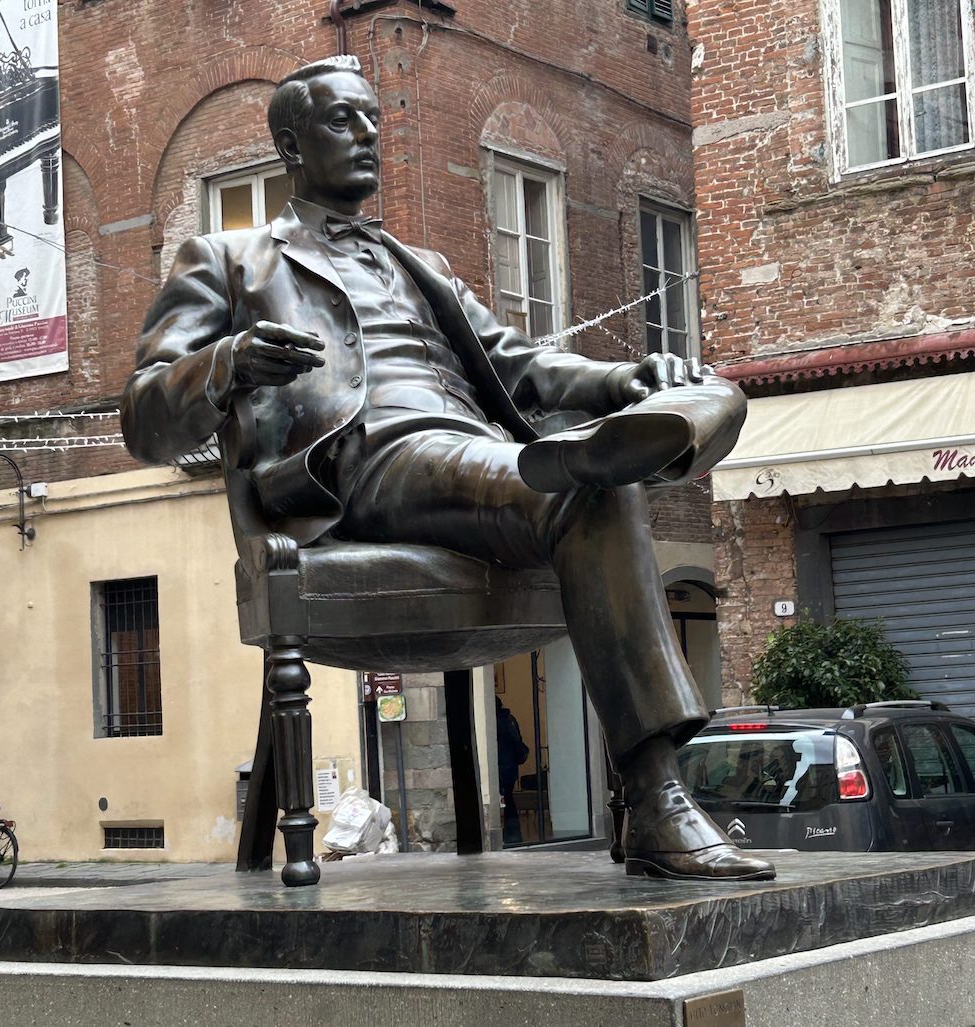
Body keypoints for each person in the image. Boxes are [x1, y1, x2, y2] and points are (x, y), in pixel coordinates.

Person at [122, 55, 774, 882]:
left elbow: (519, 364)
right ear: (290, 145)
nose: (368, 134)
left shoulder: (419, 262)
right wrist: (227, 362)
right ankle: (654, 797)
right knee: (581, 481)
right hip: (362, 463)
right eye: (342, 120)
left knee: (616, 463)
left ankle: (652, 427)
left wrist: (624, 378)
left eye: (373, 119)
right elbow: (142, 415)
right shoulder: (228, 258)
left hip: (469, 453)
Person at [496, 697, 530, 844]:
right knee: (508, 799)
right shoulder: (510, 719)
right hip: (509, 766)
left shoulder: (498, 721)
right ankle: (512, 833)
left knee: (504, 800)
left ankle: (511, 834)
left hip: (501, 765)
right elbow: (517, 742)